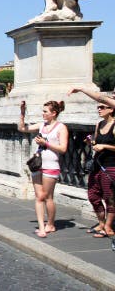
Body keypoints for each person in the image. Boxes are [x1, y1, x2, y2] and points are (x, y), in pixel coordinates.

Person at [17, 100, 69, 238]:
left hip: (51, 165)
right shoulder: (41, 125)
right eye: (43, 111)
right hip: (37, 164)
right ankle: (41, 227)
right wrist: (22, 113)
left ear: (54, 113)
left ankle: (50, 224)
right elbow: (22, 129)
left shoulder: (61, 127)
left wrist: (45, 143)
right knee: (39, 196)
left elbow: (63, 148)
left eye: (45, 111)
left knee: (48, 197)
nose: (43, 114)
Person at [68, 87, 115, 238]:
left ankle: (108, 227)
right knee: (93, 195)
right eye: (99, 107)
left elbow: (100, 97)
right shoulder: (99, 124)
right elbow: (96, 141)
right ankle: (101, 223)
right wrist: (92, 142)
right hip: (97, 164)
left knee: (110, 197)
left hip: (110, 165)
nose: (99, 108)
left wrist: (82, 88)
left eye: (102, 107)